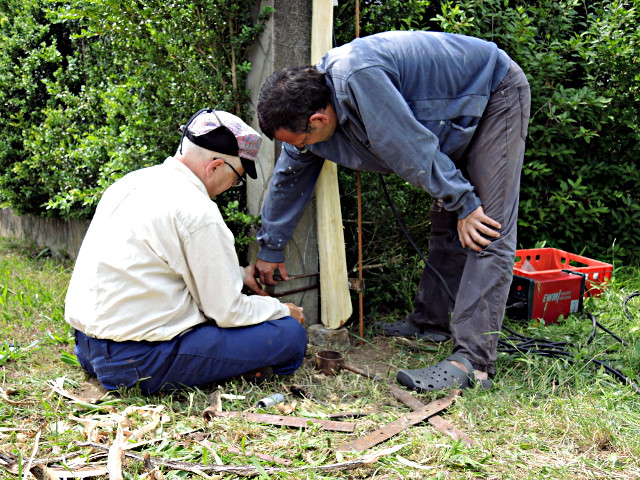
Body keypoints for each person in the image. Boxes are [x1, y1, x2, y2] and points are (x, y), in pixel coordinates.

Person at [254, 31, 531, 392]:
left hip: (494, 92)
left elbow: (408, 147)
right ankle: (431, 323)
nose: (301, 149)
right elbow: (290, 176)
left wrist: (466, 202)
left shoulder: (358, 76)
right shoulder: (311, 110)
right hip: (448, 115)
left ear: (318, 120)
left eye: (301, 140)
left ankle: (473, 363)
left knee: (485, 226)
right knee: (447, 217)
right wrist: (271, 248)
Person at [65, 108, 307, 395]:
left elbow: (159, 263)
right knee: (290, 335)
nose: (233, 186)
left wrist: (239, 275)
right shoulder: (197, 210)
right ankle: (256, 369)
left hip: (87, 348)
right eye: (238, 177)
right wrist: (282, 310)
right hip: (136, 362)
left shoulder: (132, 182)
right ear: (215, 166)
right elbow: (226, 312)